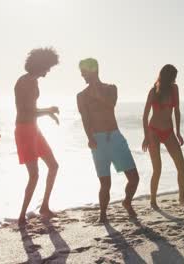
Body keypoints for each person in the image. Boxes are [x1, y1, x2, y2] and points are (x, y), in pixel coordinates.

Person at [77, 58, 139, 223]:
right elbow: (85, 119)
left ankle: (127, 202)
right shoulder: (81, 96)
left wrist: (97, 92)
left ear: (93, 70)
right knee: (105, 183)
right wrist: (89, 138)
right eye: (81, 72)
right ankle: (103, 214)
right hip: (98, 140)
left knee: (134, 178)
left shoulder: (111, 89)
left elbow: (110, 105)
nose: (82, 75)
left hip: (115, 137)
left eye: (84, 72)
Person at [14, 47, 60, 226]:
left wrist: (47, 113)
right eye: (47, 67)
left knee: (53, 166)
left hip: (34, 128)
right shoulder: (25, 82)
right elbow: (25, 110)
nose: (47, 72)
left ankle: (44, 206)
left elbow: (32, 110)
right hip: (24, 130)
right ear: (40, 65)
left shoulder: (33, 81)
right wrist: (48, 110)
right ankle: (22, 215)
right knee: (34, 175)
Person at [142, 64, 184, 208]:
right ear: (168, 77)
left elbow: (177, 111)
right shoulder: (153, 91)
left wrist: (178, 132)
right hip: (154, 131)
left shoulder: (175, 89)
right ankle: (153, 200)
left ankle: (182, 197)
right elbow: (144, 116)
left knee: (181, 166)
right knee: (158, 168)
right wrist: (146, 136)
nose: (175, 80)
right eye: (173, 77)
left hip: (168, 131)